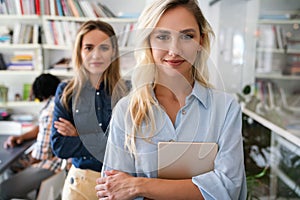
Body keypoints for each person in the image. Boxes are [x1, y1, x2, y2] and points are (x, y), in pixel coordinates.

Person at [95, 0, 247, 199]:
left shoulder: (225, 108)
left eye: (187, 36)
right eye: (162, 37)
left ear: (201, 41)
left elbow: (228, 187)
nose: (174, 50)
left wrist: (139, 186)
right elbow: (113, 191)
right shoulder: (126, 111)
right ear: (148, 42)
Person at [50, 20, 128, 200]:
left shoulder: (127, 91)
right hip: (80, 185)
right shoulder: (66, 92)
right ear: (80, 51)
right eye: (89, 48)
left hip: (118, 184)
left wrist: (79, 135)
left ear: (114, 52)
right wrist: (103, 141)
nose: (96, 55)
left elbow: (128, 145)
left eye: (104, 48)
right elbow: (60, 146)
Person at [0, 73, 62, 200]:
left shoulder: (49, 112)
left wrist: (26, 163)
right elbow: (42, 127)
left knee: (2, 190)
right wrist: (22, 137)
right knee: (11, 168)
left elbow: (42, 155)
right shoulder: (57, 103)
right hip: (58, 165)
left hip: (49, 165)